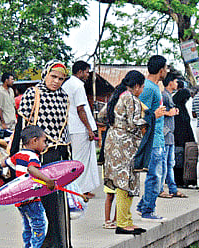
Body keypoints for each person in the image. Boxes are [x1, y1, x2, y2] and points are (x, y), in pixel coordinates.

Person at [15, 61, 74, 248]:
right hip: (38, 157)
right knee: (40, 203)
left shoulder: (64, 97)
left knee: (57, 201)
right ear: (45, 74)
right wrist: (15, 158)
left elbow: (65, 130)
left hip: (58, 154)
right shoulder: (33, 94)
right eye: (53, 77)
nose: (56, 81)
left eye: (61, 78)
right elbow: (22, 128)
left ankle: (60, 245)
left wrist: (68, 156)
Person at [101, 70, 149, 236]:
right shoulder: (130, 97)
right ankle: (122, 222)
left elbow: (102, 116)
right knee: (125, 181)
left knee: (123, 180)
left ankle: (126, 219)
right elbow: (134, 122)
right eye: (141, 87)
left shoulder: (118, 94)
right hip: (125, 144)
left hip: (113, 141)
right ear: (136, 86)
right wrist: (151, 117)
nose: (141, 90)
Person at [135, 55, 177, 222]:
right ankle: (148, 210)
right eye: (166, 69)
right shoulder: (150, 89)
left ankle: (143, 205)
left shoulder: (154, 88)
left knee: (158, 174)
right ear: (161, 70)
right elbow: (140, 112)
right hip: (154, 139)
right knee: (156, 175)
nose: (166, 72)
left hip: (158, 137)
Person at [10, 126, 56, 248]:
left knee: (27, 226)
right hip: (32, 198)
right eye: (44, 141)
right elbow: (31, 169)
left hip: (20, 198)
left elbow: (6, 163)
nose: (45, 145)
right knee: (40, 224)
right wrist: (48, 180)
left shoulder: (18, 155)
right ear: (34, 141)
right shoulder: (33, 157)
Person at [62, 61, 99, 210]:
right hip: (79, 128)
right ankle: (81, 190)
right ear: (80, 72)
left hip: (70, 128)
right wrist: (90, 129)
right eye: (86, 71)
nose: (88, 75)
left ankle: (80, 189)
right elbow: (81, 110)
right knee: (81, 161)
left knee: (75, 159)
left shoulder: (66, 84)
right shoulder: (77, 85)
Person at [159, 73, 186, 199]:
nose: (177, 84)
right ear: (170, 82)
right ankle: (160, 189)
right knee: (163, 164)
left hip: (170, 135)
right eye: (175, 81)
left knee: (170, 164)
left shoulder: (169, 96)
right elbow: (158, 112)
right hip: (165, 134)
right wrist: (169, 113)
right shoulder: (163, 96)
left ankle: (172, 188)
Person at [171, 83, 194, 188]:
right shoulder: (177, 109)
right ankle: (178, 181)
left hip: (182, 139)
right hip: (178, 139)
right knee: (178, 160)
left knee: (181, 160)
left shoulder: (181, 107)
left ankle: (181, 180)